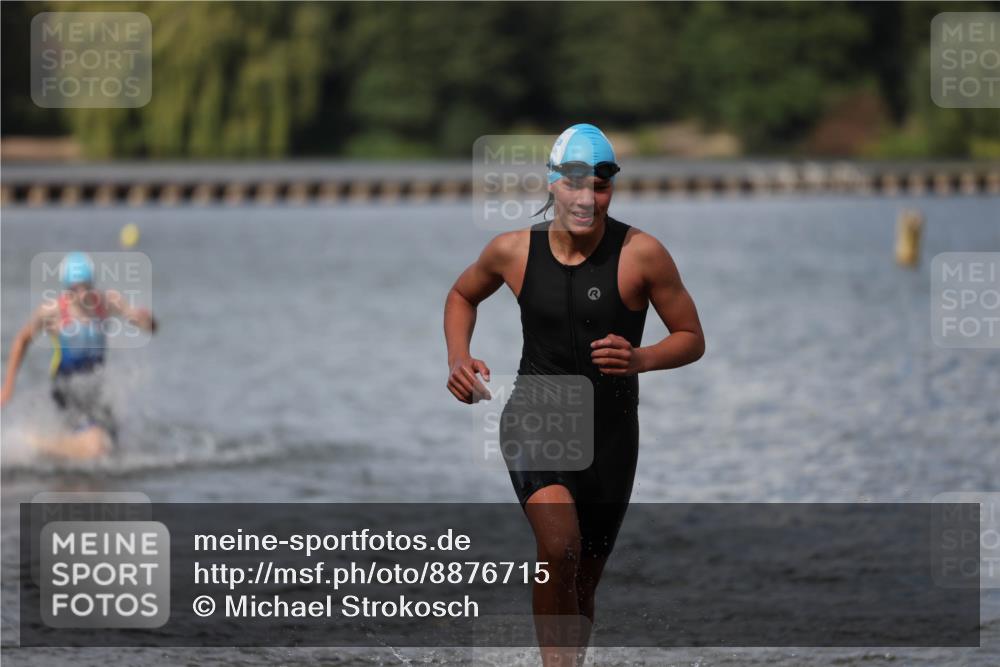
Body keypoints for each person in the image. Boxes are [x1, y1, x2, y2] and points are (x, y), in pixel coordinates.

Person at [444, 124, 705, 665]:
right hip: (537, 418)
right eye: (575, 183)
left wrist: (641, 359)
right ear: (552, 184)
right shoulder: (511, 251)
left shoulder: (643, 255)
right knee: (558, 548)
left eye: (602, 185)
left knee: (584, 577)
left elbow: (692, 339)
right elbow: (461, 295)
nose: (587, 198)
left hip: (612, 434)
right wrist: (458, 357)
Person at [1, 251, 156, 459]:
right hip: (66, 387)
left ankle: (67, 453)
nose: (82, 294)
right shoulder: (53, 312)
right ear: (67, 289)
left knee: (112, 448)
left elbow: (144, 324)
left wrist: (147, 321)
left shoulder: (107, 303)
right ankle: (37, 442)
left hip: (96, 386)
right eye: (75, 289)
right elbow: (22, 340)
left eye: (86, 287)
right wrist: (8, 385)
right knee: (96, 447)